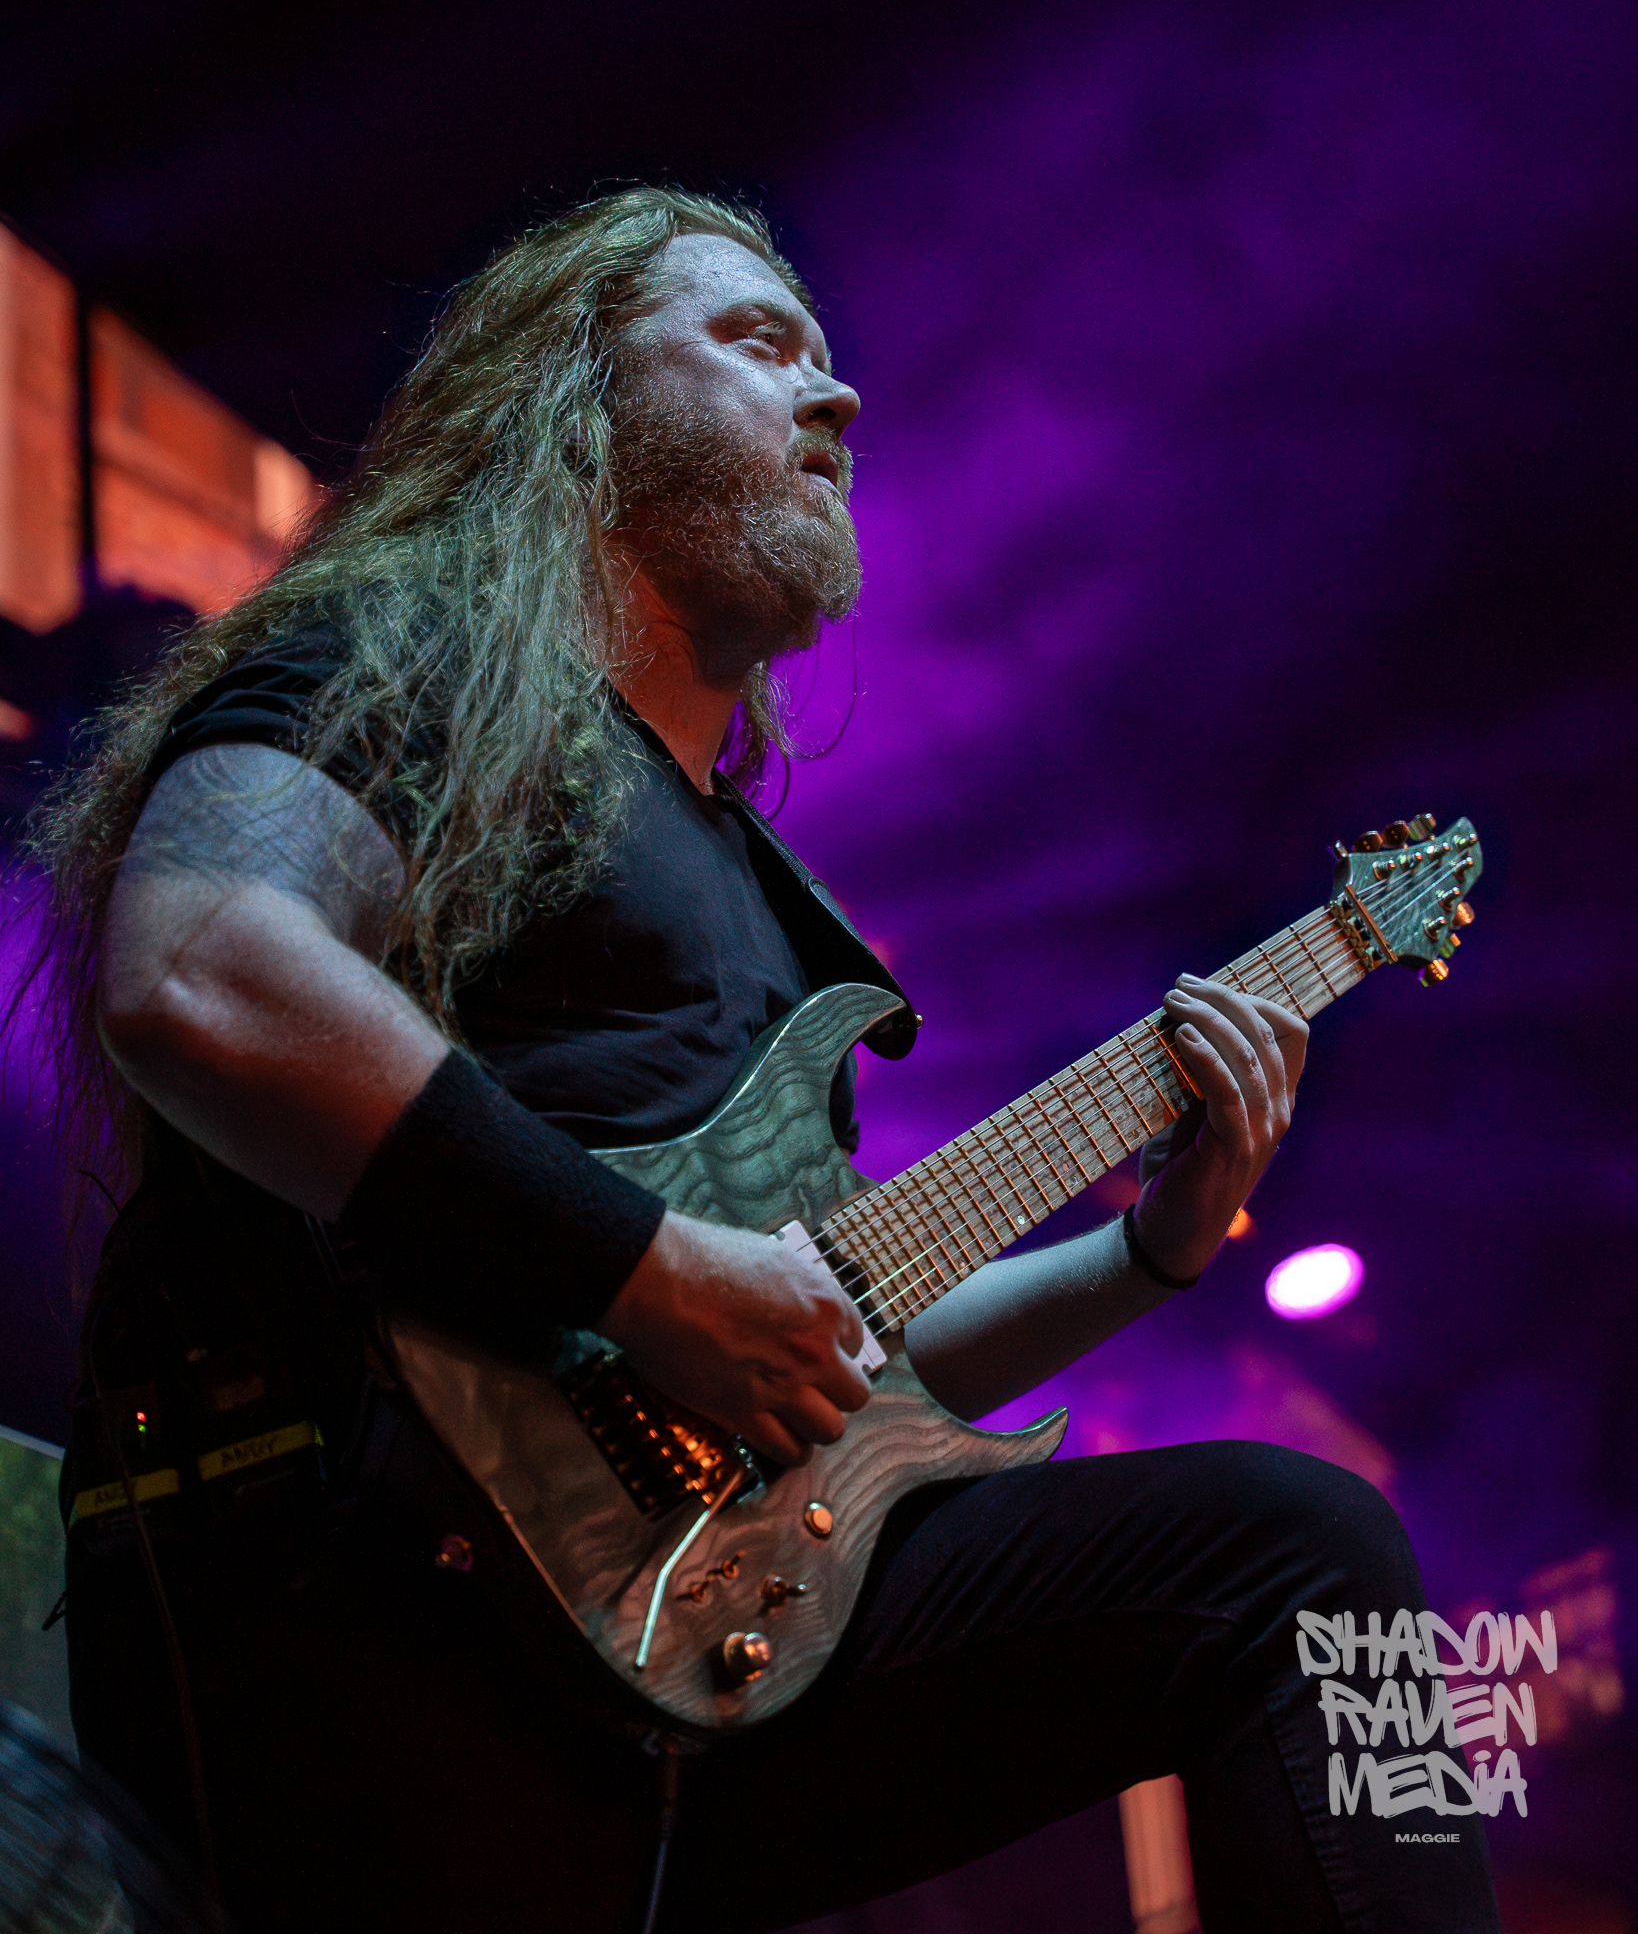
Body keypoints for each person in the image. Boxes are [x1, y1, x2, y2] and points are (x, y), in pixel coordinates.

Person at [24, 189, 1500, 1932]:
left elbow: (818, 1356)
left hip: (662, 1614)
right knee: (1295, 1561)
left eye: (828, 353)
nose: (839, 399)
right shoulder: (411, 652)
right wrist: (643, 1271)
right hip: (374, 1598)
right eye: (755, 338)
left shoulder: (750, 880)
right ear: (567, 398)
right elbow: (201, 974)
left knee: (1317, 1582)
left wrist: (1154, 1250)